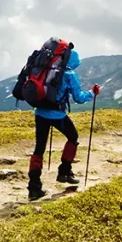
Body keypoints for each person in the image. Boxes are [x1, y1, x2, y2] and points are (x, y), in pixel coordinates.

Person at [27, 48, 100, 200]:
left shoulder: (45, 70)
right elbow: (79, 98)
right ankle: (64, 172)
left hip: (40, 113)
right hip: (57, 115)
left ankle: (34, 188)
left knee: (39, 148)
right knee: (73, 137)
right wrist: (92, 92)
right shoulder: (69, 74)